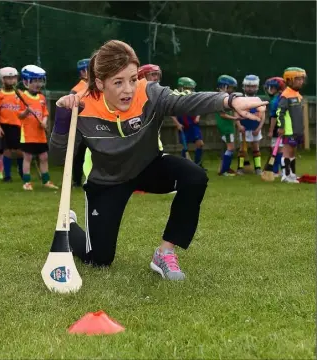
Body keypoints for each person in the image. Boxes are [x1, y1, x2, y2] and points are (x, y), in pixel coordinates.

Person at [50, 40, 266, 281]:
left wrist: (231, 100)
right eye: (118, 82)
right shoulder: (82, 105)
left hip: (147, 166)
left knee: (194, 176)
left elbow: (188, 100)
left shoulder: (150, 93)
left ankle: (164, 252)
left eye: (132, 79)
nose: (128, 90)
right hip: (108, 180)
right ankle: (69, 225)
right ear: (100, 83)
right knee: (99, 260)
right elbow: (58, 158)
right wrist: (62, 120)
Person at [18, 65, 59, 191]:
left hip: (40, 134)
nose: (38, 84)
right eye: (34, 81)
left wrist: (44, 122)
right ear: (26, 81)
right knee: (28, 158)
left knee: (44, 157)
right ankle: (26, 182)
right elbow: (19, 115)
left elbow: (45, 113)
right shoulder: (22, 96)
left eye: (40, 80)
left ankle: (46, 180)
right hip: (28, 134)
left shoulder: (41, 98)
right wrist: (26, 111)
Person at [277, 67, 307, 183]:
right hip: (288, 130)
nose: (301, 82)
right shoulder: (286, 95)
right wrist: (281, 127)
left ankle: (292, 174)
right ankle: (285, 175)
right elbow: (280, 112)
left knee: (292, 152)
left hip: (297, 130)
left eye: (302, 79)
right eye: (298, 79)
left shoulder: (297, 95)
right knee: (287, 152)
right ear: (289, 80)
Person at [170, 77, 206, 169]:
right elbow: (171, 113)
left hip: (193, 125)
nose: (191, 90)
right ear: (182, 88)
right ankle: (184, 165)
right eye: (189, 88)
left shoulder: (193, 98)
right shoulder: (176, 98)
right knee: (185, 147)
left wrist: (198, 117)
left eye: (192, 88)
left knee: (200, 144)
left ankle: (198, 165)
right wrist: (177, 124)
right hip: (183, 125)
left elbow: (199, 109)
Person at [236, 75, 265, 175]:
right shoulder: (240, 99)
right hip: (244, 128)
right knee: (242, 149)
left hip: (255, 129)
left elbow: (263, 116)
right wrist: (239, 126)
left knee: (255, 148)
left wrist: (259, 128)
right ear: (244, 87)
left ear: (256, 87)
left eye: (252, 86)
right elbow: (236, 114)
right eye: (248, 86)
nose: (250, 88)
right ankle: (240, 168)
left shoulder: (259, 100)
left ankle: (258, 168)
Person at [215, 75, 241, 176]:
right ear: (224, 86)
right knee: (230, 148)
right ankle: (224, 170)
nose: (231, 90)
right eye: (230, 87)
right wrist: (235, 119)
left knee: (227, 148)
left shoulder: (224, 97)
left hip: (227, 127)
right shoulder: (221, 98)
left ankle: (225, 168)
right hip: (225, 127)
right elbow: (222, 114)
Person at [72, 59, 90, 187]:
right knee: (79, 154)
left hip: (95, 124)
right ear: (83, 72)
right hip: (80, 126)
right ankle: (76, 180)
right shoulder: (76, 89)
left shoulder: (99, 86)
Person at [264, 76, 286, 177]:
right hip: (285, 126)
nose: (269, 90)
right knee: (281, 148)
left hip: (278, 127)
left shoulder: (275, 101)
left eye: (271, 88)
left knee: (276, 149)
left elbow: (273, 117)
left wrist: (271, 130)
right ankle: (282, 170)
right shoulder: (283, 97)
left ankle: (276, 170)